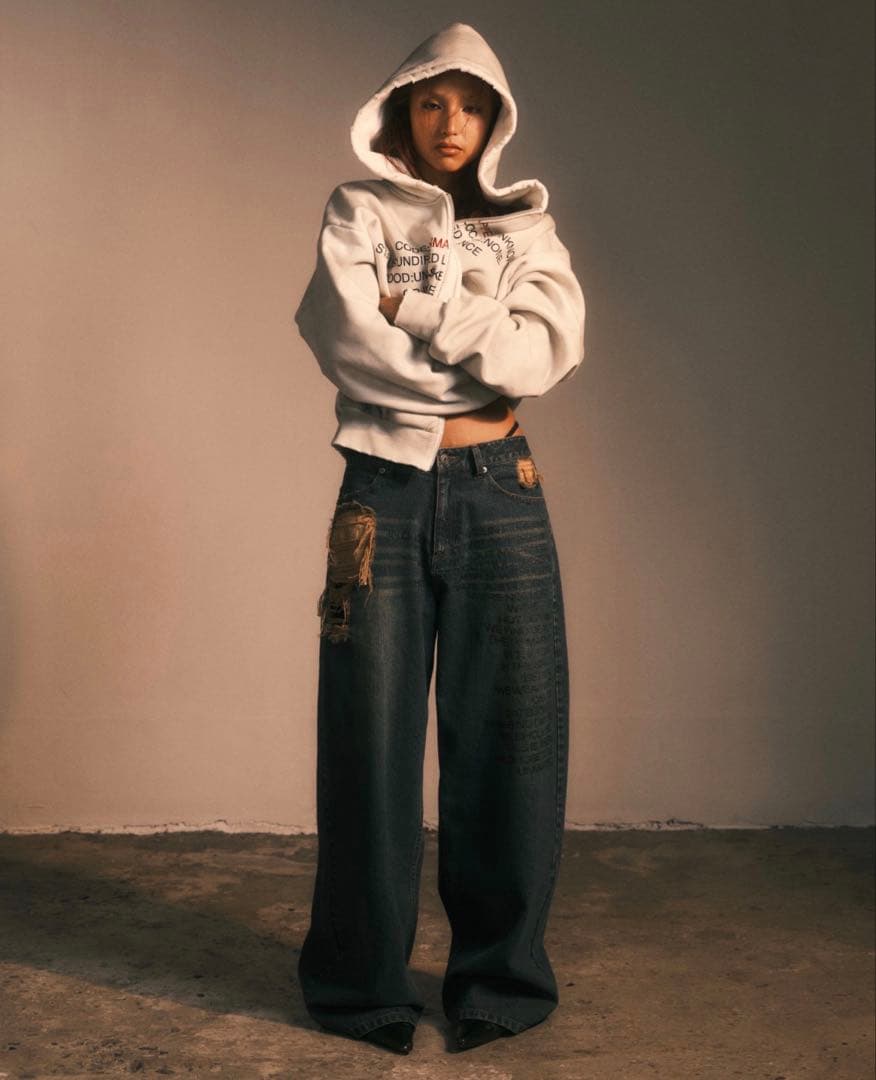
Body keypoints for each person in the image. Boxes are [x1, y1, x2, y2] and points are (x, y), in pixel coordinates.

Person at [294, 22, 586, 1057]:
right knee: (366, 742)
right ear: (403, 112)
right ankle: (357, 987)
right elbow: (347, 346)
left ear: (495, 118)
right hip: (384, 492)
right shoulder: (357, 211)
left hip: (502, 490)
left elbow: (539, 359)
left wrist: (417, 304)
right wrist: (474, 347)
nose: (450, 122)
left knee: (514, 739)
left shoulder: (530, 233)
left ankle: (499, 983)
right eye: (431, 102)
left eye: (469, 105)